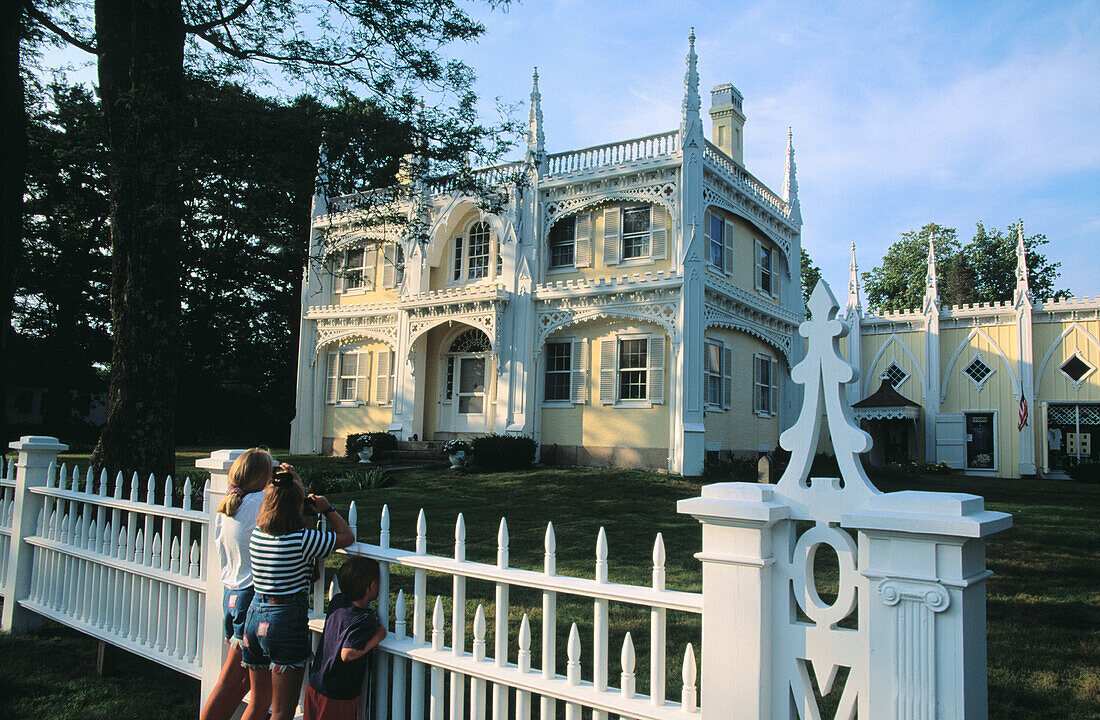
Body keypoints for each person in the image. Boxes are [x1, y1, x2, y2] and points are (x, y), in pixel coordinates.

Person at [241, 467, 355, 720]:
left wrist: (296, 487)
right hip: (285, 621)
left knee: (257, 703)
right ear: (296, 506)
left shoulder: (258, 535)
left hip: (254, 614)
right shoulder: (302, 539)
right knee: (283, 711)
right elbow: (346, 536)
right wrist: (327, 509)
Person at [200, 448, 274, 720]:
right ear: (264, 476)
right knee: (243, 684)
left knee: (238, 680)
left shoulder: (230, 505)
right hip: (251, 598)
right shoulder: (260, 501)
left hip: (231, 594)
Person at [304, 557, 386, 720]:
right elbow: (348, 653)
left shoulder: (337, 601)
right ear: (372, 586)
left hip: (316, 683)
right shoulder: (363, 618)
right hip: (337, 693)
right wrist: (377, 637)